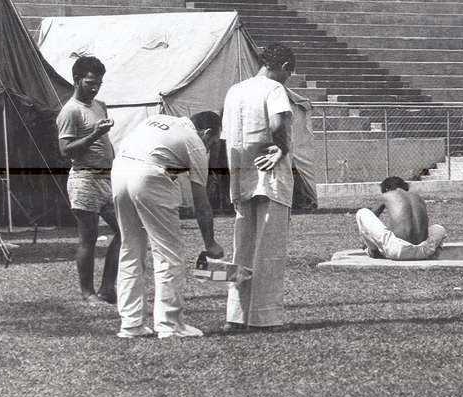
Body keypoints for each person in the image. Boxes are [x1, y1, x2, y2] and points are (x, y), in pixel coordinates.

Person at [111, 111, 225, 339]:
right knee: (169, 255)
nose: (210, 148)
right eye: (212, 142)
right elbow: (201, 205)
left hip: (120, 170)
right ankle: (170, 325)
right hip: (149, 174)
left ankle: (131, 324)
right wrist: (210, 243)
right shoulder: (195, 142)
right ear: (208, 133)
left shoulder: (162, 121)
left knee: (130, 249)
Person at [221, 43, 296, 332]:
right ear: (285, 67)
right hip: (269, 176)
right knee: (270, 249)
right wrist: (283, 149)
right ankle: (265, 317)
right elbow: (278, 123)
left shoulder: (235, 90)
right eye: (289, 73)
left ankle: (236, 315)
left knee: (243, 248)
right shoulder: (275, 89)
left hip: (241, 176)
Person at [56, 56, 120, 305]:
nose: (95, 87)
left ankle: (107, 288)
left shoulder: (99, 105)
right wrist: (95, 134)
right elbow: (65, 150)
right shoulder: (70, 111)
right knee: (89, 238)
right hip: (84, 179)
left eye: (99, 83)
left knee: (126, 231)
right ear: (77, 80)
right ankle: (88, 293)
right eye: (90, 82)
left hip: (107, 178)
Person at [356, 176, 447, 260]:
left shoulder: (387, 195)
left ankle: (373, 251)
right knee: (439, 228)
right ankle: (434, 254)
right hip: (423, 251)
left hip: (398, 250)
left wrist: (366, 241)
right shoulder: (418, 197)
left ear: (387, 188)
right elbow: (425, 223)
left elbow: (371, 217)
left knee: (362, 212)